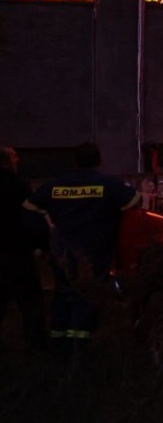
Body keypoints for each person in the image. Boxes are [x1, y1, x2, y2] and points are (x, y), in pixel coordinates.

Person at [23, 142, 139, 354]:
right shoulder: (109, 185)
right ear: (99, 161)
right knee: (86, 295)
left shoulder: (54, 186)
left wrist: (44, 238)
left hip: (62, 251)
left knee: (63, 293)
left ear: (75, 162)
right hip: (95, 252)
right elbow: (134, 201)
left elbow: (29, 209)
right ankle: (80, 349)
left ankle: (59, 343)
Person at [0, 146, 48, 353]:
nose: (18, 161)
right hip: (17, 255)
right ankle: (37, 349)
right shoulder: (18, 186)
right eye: (14, 157)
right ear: (5, 162)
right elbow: (31, 219)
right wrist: (42, 244)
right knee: (30, 304)